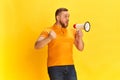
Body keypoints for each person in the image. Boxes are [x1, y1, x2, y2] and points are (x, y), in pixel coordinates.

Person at [34, 8, 84, 80]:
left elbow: (80, 48)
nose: (68, 19)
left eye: (68, 16)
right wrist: (49, 38)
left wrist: (80, 38)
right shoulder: (48, 30)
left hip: (70, 67)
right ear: (57, 18)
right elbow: (37, 46)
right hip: (55, 68)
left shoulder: (72, 31)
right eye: (65, 16)